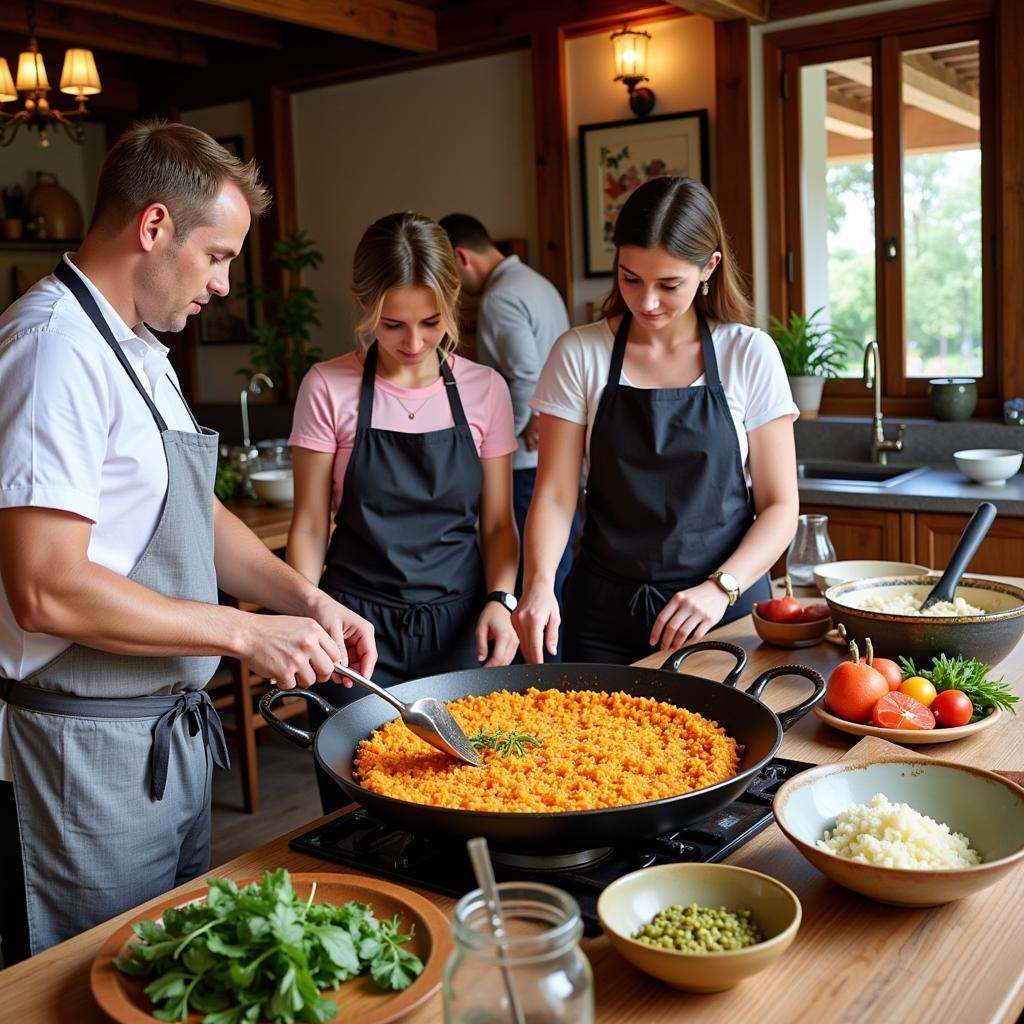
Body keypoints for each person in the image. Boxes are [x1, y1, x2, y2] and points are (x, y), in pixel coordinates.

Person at [0, 121, 376, 963]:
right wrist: (243, 632)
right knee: (86, 984)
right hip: (81, 759)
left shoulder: (140, 345)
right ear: (155, 226)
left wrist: (304, 598)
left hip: (161, 743)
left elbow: (193, 514)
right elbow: (45, 587)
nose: (223, 283)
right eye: (218, 256)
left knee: (172, 972)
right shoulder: (52, 348)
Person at [514, 176, 799, 665]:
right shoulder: (580, 352)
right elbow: (557, 495)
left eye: (669, 285)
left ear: (709, 268)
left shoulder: (748, 353)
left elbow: (779, 506)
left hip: (723, 616)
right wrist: (538, 586)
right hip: (603, 615)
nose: (646, 302)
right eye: (630, 278)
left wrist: (720, 587)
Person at [287, 212, 520, 806]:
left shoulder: (484, 388)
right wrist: (306, 618)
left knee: (468, 799)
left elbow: (497, 523)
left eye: (431, 322)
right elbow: (311, 523)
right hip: (355, 630)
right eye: (392, 324)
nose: (414, 343)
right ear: (363, 304)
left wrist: (501, 599)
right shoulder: (327, 386)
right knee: (354, 807)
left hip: (461, 625)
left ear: (453, 301)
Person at [439, 214, 580, 625]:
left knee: (524, 592)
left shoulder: (501, 298)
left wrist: (506, 436)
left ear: (460, 256)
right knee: (552, 583)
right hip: (555, 458)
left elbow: (523, 376)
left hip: (522, 465)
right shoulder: (538, 284)